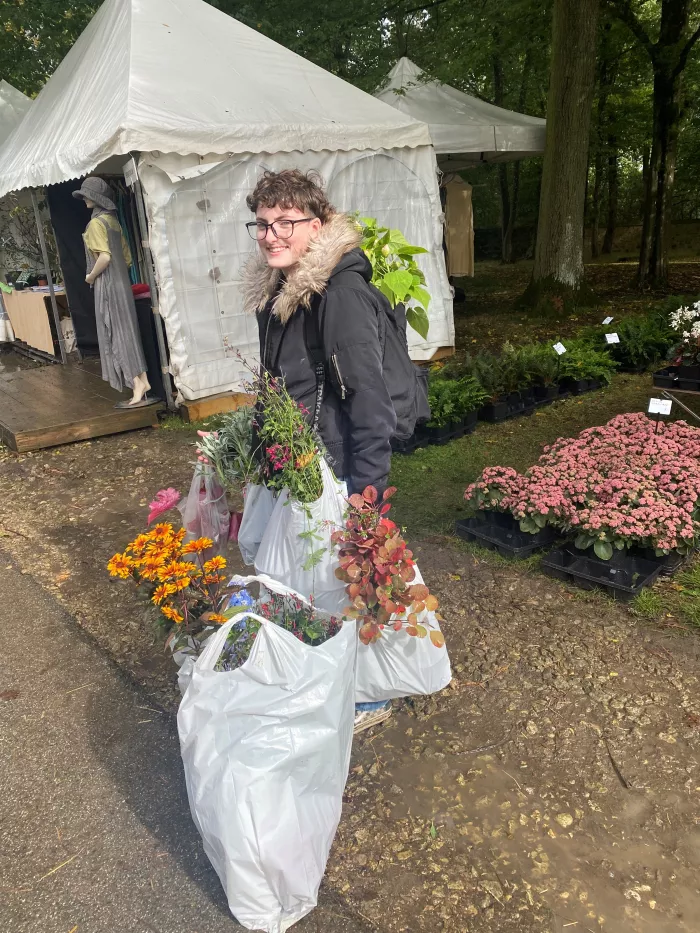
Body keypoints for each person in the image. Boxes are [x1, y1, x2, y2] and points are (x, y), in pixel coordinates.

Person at [242, 169, 395, 733]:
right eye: (262, 223)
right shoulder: (282, 291)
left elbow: (370, 401)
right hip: (299, 464)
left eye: (287, 222)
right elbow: (281, 385)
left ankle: (367, 694)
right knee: (308, 583)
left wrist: (366, 495)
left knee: (338, 583)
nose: (271, 234)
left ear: (320, 223)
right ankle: (322, 679)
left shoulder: (340, 294)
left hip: (335, 467)